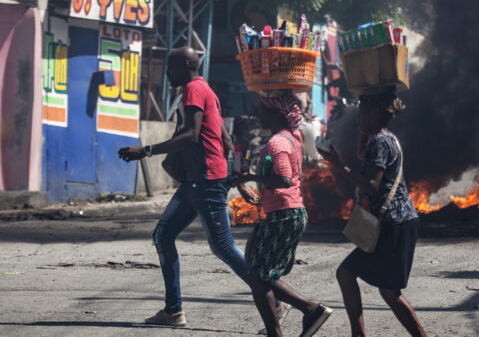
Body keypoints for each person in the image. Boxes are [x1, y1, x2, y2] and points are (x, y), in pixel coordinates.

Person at [118, 47, 255, 327]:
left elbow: (192, 135)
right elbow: (226, 140)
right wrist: (236, 179)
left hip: (205, 180)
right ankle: (173, 311)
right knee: (163, 235)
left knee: (224, 248)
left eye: (170, 67)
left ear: (185, 65)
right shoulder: (207, 91)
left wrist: (145, 150)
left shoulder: (193, 89)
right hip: (198, 180)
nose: (167, 72)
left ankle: (276, 299)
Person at [318, 90, 428, 337]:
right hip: (398, 222)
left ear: (377, 113)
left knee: (359, 279)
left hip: (394, 223)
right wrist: (363, 129)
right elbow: (362, 156)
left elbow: (371, 185)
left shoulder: (380, 142)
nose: (358, 116)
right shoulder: (384, 138)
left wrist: (337, 164)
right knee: (383, 289)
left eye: (363, 112)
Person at [230, 93, 332, 337]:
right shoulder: (289, 138)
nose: (258, 116)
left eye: (263, 111)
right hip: (283, 212)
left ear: (277, 115)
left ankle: (310, 310)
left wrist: (249, 178)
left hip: (284, 214)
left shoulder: (278, 142)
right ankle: (295, 319)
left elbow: (284, 179)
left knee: (259, 276)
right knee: (260, 275)